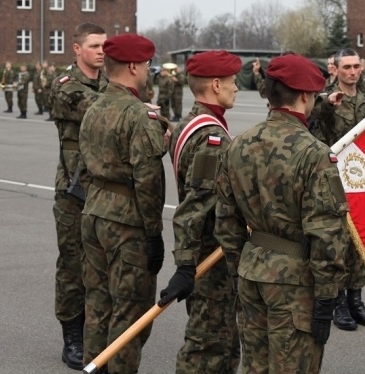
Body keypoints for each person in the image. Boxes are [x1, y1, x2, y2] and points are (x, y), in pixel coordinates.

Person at [214, 53, 349, 373]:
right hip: (295, 282)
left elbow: (226, 219)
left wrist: (238, 267)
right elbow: (327, 232)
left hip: (251, 272)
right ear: (304, 96)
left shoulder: (238, 145)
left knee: (255, 366)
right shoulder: (314, 154)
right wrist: (328, 295)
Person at [80, 33, 167, 373]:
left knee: (98, 302)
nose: (148, 70)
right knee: (131, 313)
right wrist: (153, 233)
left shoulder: (95, 105)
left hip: (95, 210)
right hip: (127, 221)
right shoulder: (138, 115)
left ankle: (93, 366)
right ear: (133, 66)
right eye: (146, 65)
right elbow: (148, 179)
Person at [158, 50, 243, 373]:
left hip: (207, 253)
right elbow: (195, 207)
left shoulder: (187, 124)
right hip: (210, 258)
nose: (236, 88)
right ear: (216, 85)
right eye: (233, 82)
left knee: (223, 344)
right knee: (207, 347)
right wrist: (185, 265)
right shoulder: (212, 137)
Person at [310, 47, 365, 331]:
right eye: (346, 67)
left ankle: (356, 299)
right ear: (336, 70)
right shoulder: (328, 98)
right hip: (334, 183)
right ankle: (338, 302)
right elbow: (312, 109)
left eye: (356, 67)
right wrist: (329, 102)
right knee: (337, 245)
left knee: (359, 243)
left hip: (363, 182)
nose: (352, 72)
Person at [49, 22, 108, 370]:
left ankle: (95, 328)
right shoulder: (65, 86)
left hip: (104, 187)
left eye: (105, 46)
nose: (102, 51)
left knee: (101, 263)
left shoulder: (108, 85)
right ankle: (72, 335)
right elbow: (104, 112)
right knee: (73, 265)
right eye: (95, 45)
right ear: (77, 49)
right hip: (73, 190)